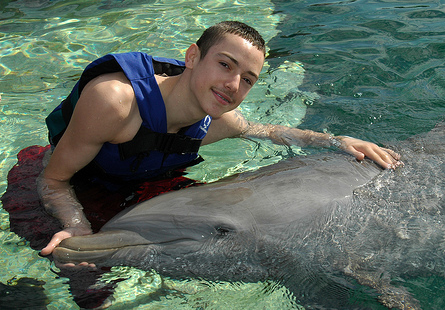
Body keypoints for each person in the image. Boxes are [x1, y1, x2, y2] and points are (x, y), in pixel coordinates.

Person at [38, 21, 401, 257]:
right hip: (69, 182)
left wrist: (336, 141)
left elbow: (269, 131)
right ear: (193, 56)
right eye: (225, 64)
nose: (233, 85)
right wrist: (75, 225)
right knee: (78, 273)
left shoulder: (219, 121)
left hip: (142, 188)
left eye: (247, 79)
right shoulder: (115, 102)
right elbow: (53, 180)